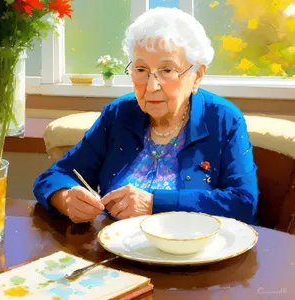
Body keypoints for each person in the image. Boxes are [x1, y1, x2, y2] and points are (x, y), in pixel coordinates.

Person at [33, 7, 259, 225]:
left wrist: (155, 203)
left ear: (197, 76)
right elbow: (56, 175)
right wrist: (65, 199)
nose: (151, 86)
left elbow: (243, 203)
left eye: (167, 70)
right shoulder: (118, 114)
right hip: (116, 252)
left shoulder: (223, 119)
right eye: (141, 70)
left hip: (192, 256)